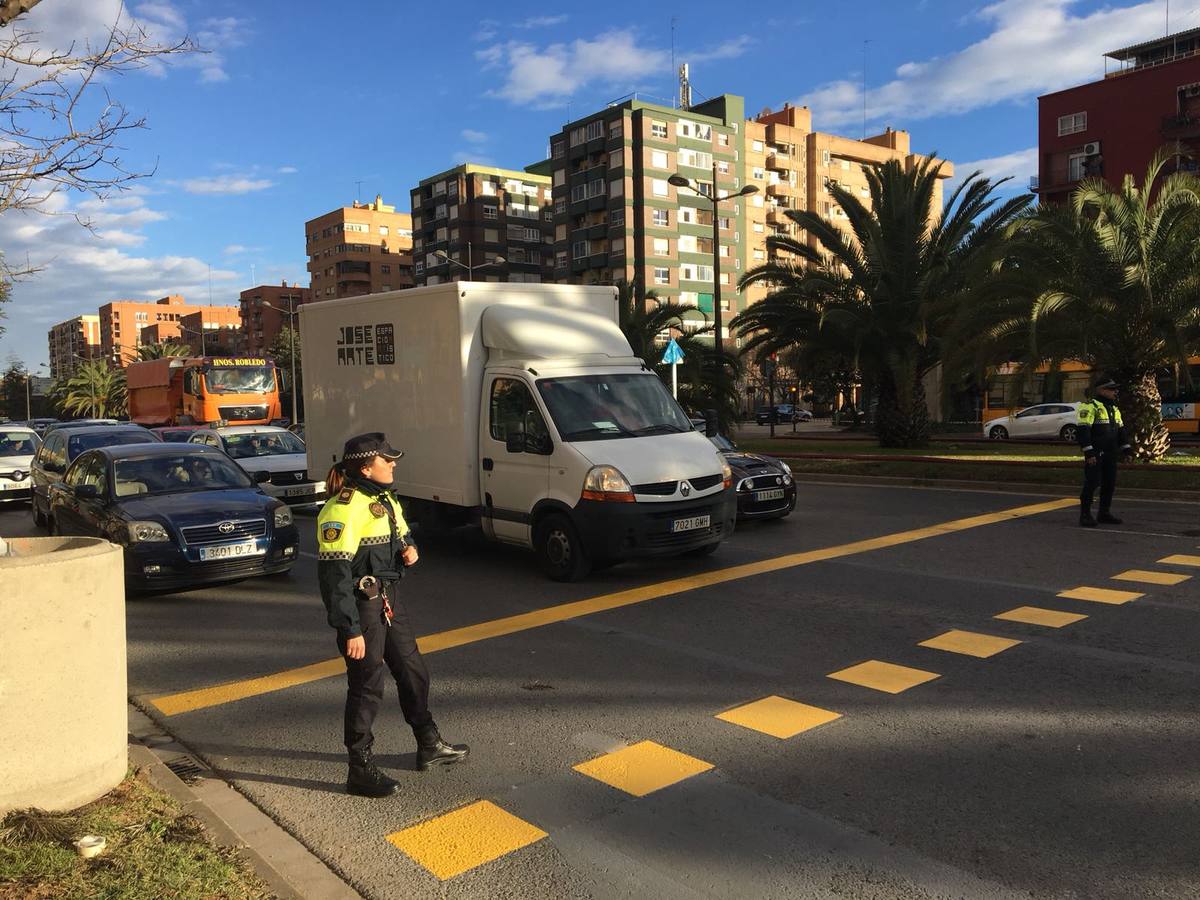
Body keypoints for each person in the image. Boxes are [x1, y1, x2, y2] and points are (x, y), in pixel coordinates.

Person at [316, 432, 468, 798]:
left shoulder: (385, 500)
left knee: (413, 671)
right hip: (362, 606)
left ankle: (428, 744)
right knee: (367, 686)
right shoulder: (342, 509)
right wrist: (348, 628)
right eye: (387, 460)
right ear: (366, 467)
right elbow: (333, 577)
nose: (394, 463)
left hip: (389, 600)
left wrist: (409, 550)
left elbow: (401, 536)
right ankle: (360, 768)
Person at [1076, 375, 1132, 528]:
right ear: (1101, 390)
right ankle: (1085, 515)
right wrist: (1089, 452)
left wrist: (1126, 450)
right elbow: (1083, 431)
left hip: (1110, 453)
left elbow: (1121, 432)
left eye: (1115, 389)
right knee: (1092, 482)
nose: (1115, 392)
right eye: (1112, 389)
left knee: (1109, 484)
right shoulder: (1090, 406)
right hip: (1096, 453)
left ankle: (1104, 513)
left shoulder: (1114, 409)